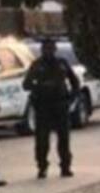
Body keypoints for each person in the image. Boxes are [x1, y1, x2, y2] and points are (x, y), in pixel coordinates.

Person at [22, 38, 80, 179]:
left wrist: (71, 98)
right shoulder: (37, 65)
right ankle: (42, 167)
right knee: (42, 140)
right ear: (42, 50)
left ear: (55, 50)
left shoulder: (62, 64)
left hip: (60, 106)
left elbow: (75, 82)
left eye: (51, 48)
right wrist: (41, 87)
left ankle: (65, 167)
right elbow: (26, 84)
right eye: (46, 49)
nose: (49, 51)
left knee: (64, 139)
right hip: (43, 107)